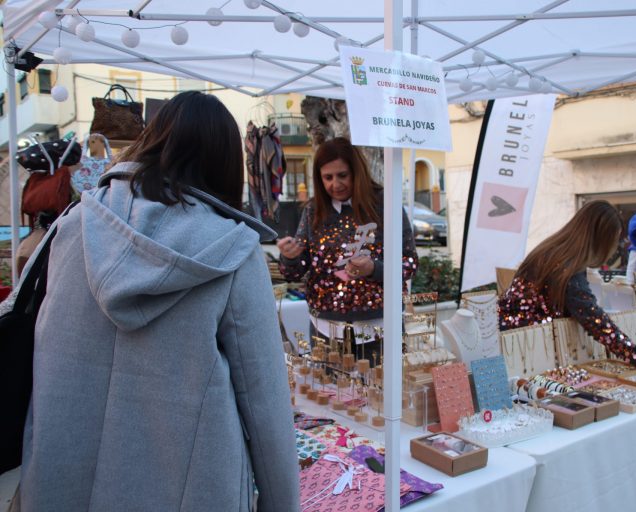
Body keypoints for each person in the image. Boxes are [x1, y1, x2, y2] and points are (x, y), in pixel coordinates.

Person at [12, 92, 299, 512]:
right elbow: (265, 406)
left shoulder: (72, 228)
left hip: (61, 483)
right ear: (224, 163)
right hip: (190, 488)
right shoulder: (233, 250)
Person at [278, 137, 418, 354]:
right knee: (326, 388)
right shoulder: (313, 210)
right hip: (324, 328)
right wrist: (289, 257)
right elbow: (295, 272)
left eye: (342, 175)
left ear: (356, 172)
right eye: (328, 177)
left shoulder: (384, 204)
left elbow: (409, 263)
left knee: (380, 387)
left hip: (379, 326)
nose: (336, 184)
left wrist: (373, 268)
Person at [498, 200, 636, 369]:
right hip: (524, 349)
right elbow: (592, 317)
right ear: (602, 239)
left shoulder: (553, 251)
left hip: (514, 340)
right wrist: (635, 354)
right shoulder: (569, 266)